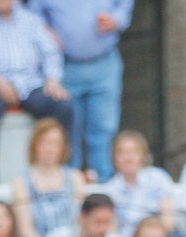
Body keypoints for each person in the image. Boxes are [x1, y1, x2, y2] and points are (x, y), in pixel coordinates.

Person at [0, 0, 74, 179]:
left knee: (62, 104)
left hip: (29, 84)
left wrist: (52, 80)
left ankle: (60, 166)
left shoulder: (30, 18)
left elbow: (51, 52)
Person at [30, 0, 130, 181]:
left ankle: (103, 181)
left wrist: (117, 19)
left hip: (105, 61)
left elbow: (124, 6)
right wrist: (46, 31)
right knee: (68, 127)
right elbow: (32, 15)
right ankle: (68, 182)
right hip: (65, 65)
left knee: (104, 126)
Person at [11, 118, 86, 237]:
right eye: (45, 143)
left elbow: (82, 221)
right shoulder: (21, 182)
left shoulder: (75, 178)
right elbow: (25, 229)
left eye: (56, 144)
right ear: (35, 146)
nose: (50, 149)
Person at [104, 130, 175, 237]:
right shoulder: (109, 191)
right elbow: (111, 231)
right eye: (121, 152)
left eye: (133, 152)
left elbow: (168, 221)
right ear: (114, 158)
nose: (128, 157)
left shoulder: (158, 178)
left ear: (143, 156)